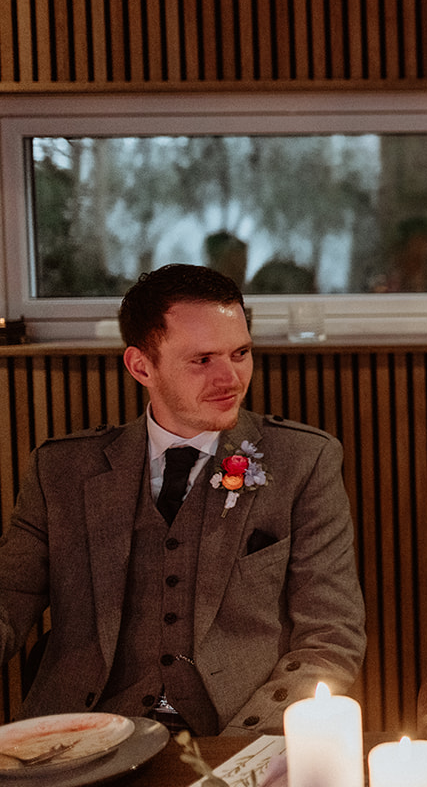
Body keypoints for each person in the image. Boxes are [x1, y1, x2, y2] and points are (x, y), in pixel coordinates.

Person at [0, 264, 366, 735]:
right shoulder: (62, 471)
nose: (230, 378)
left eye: (240, 353)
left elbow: (329, 637)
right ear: (141, 366)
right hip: (83, 737)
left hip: (237, 730)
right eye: (202, 360)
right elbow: (8, 601)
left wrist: (245, 745)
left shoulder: (304, 460)